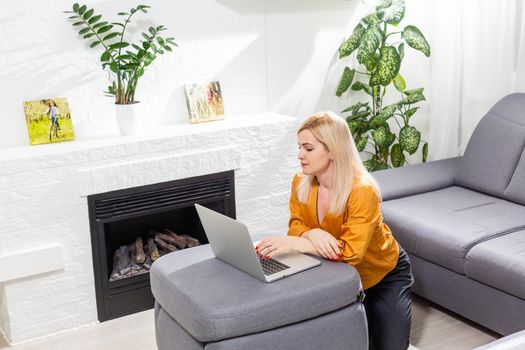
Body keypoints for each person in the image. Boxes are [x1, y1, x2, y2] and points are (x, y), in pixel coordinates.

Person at [256, 111, 413, 350]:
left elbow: (351, 254)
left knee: (389, 346)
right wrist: (311, 233)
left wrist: (300, 242)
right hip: (340, 274)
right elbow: (296, 224)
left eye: (308, 148)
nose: (300, 155)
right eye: (299, 147)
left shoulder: (362, 190)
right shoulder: (301, 181)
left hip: (383, 274)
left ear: (332, 149)